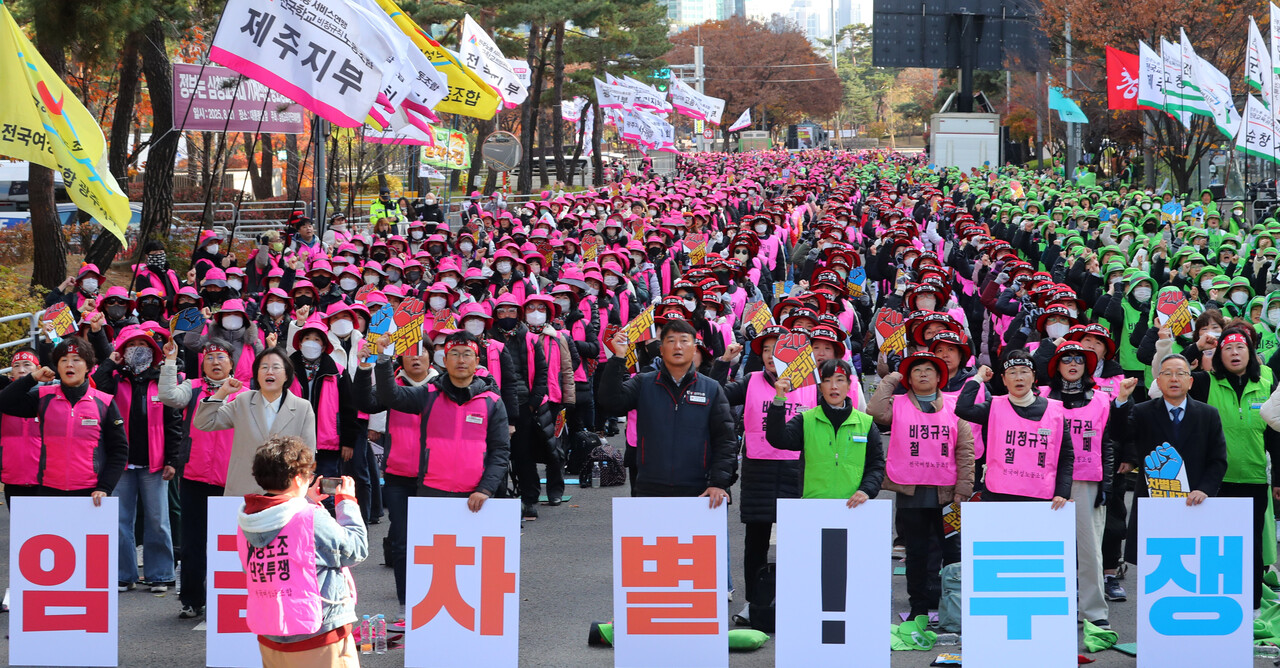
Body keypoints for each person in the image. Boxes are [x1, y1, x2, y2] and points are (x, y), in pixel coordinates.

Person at [237, 436, 366, 667]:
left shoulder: (249, 518)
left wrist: (306, 500)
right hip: (319, 635)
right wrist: (347, 503)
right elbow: (356, 549)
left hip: (271, 633)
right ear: (298, 478)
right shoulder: (309, 517)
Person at [868, 352, 974, 619]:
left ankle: (953, 606)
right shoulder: (898, 404)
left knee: (952, 550)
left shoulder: (955, 405)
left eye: (929, 370)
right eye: (916, 371)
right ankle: (917, 607)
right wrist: (893, 377)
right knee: (916, 553)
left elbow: (965, 450)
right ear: (909, 378)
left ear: (940, 377)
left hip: (949, 496)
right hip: (911, 494)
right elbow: (875, 411)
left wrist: (964, 489)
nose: (923, 374)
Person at [1042, 341, 1139, 630]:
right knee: (1050, 548)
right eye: (1066, 359)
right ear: (1056, 365)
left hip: (1087, 479)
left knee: (1090, 549)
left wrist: (1107, 484)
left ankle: (1094, 611)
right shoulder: (1044, 397)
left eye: (1080, 360)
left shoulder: (1101, 400)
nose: (1073, 364)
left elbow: (1112, 440)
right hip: (1048, 482)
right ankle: (1052, 605)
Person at [367, 331, 511, 511]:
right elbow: (391, 396)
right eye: (454, 354)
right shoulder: (428, 395)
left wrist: (486, 489)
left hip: (477, 497)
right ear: (444, 361)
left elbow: (500, 451)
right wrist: (383, 358)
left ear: (476, 361)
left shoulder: (492, 402)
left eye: (467, 354)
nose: (461, 360)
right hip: (431, 492)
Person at [599, 319, 738, 503]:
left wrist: (718, 482)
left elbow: (725, 440)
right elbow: (610, 402)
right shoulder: (644, 383)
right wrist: (618, 358)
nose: (677, 346)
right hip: (650, 487)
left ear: (694, 349)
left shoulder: (711, 388)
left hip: (698, 489)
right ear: (662, 350)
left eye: (684, 340)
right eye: (671, 341)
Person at [1119, 354, 1229, 579]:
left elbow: (1218, 459)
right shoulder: (1142, 411)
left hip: (1195, 500)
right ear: (1158, 382)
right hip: (1154, 501)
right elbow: (1119, 434)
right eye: (1167, 373)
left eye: (1181, 373)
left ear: (1190, 381)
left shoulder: (1208, 414)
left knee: (1194, 565)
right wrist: (1121, 400)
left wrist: (1205, 490)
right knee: (1155, 570)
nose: (1174, 378)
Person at [92, 325, 183, 593]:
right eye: (131, 346)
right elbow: (96, 386)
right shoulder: (115, 379)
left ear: (153, 351)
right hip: (120, 463)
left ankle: (161, 574)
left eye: (143, 345)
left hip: (155, 463)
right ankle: (123, 574)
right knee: (120, 520)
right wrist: (110, 363)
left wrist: (172, 460)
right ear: (122, 351)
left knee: (158, 520)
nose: (137, 350)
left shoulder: (163, 379)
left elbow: (174, 423)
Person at [158, 337, 243, 619]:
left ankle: (231, 596)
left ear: (232, 363)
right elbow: (169, 397)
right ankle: (192, 599)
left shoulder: (244, 393)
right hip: (194, 475)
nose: (215, 363)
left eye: (221, 358)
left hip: (232, 478)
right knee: (194, 541)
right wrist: (170, 361)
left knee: (232, 541)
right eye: (209, 358)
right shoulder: (192, 388)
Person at [0, 337, 128, 502]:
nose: (69, 364)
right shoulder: (43, 397)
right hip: (48, 491)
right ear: (57, 367)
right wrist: (32, 378)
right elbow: (4, 403)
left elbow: (119, 450)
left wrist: (105, 487)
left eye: (76, 360)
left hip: (91, 494)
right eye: (63, 360)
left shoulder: (104, 402)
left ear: (88, 366)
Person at [955, 349, 1074, 506]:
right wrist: (978, 378)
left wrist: (1062, 493)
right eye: (1012, 372)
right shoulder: (994, 406)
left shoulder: (1054, 411)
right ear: (1004, 380)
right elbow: (962, 409)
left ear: (1034, 377)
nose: (1019, 377)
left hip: (1039, 496)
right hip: (998, 494)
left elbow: (1066, 456)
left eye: (1024, 372)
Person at [193, 348, 318, 496]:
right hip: (240, 491)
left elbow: (308, 456)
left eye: (276, 367)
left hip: (284, 495)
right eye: (264, 367)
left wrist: (301, 492)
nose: (269, 372)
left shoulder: (302, 407)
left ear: (287, 375)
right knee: (226, 520)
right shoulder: (243, 400)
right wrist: (222, 392)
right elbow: (204, 422)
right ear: (257, 375)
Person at [764, 358, 886, 505]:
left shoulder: (866, 423)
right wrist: (779, 401)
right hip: (813, 506)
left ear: (848, 386)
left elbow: (876, 464)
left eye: (840, 380)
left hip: (854, 508)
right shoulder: (806, 420)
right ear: (820, 387)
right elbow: (777, 438)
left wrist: (866, 490)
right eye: (827, 381)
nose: (833, 386)